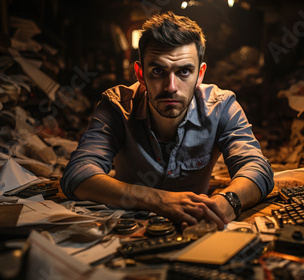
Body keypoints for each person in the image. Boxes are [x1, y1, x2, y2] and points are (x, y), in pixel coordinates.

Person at [61, 11, 274, 230]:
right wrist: (158, 200)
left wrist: (227, 203)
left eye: (184, 71)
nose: (171, 87)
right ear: (140, 73)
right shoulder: (116, 107)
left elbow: (257, 167)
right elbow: (78, 174)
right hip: (129, 228)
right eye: (158, 71)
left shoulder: (222, 106)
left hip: (197, 224)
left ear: (200, 74)